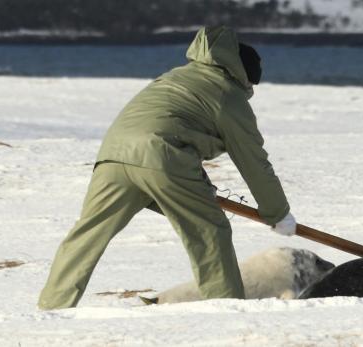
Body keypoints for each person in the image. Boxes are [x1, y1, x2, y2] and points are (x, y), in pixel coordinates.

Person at [37, 26, 296, 310]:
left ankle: (53, 307)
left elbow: (172, 126)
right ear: (243, 74)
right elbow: (254, 163)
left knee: (88, 234)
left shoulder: (176, 76)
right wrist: (277, 213)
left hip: (113, 154)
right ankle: (226, 309)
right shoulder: (228, 96)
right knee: (210, 231)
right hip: (162, 157)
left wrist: (200, 188)